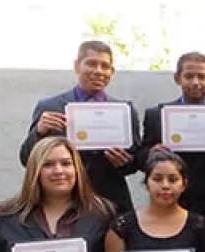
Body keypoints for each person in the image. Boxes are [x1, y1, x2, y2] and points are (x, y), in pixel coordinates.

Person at [19, 40, 141, 214]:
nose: (98, 71)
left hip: (111, 202)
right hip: (62, 202)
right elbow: (26, 159)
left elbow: (134, 162)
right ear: (77, 66)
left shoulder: (124, 110)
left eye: (105, 66)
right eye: (91, 63)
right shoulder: (50, 107)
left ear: (112, 72)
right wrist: (38, 132)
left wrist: (124, 162)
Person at [136, 52, 205, 215]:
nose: (195, 82)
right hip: (168, 200)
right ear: (178, 78)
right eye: (189, 76)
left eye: (201, 76)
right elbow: (140, 157)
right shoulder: (156, 116)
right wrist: (151, 154)